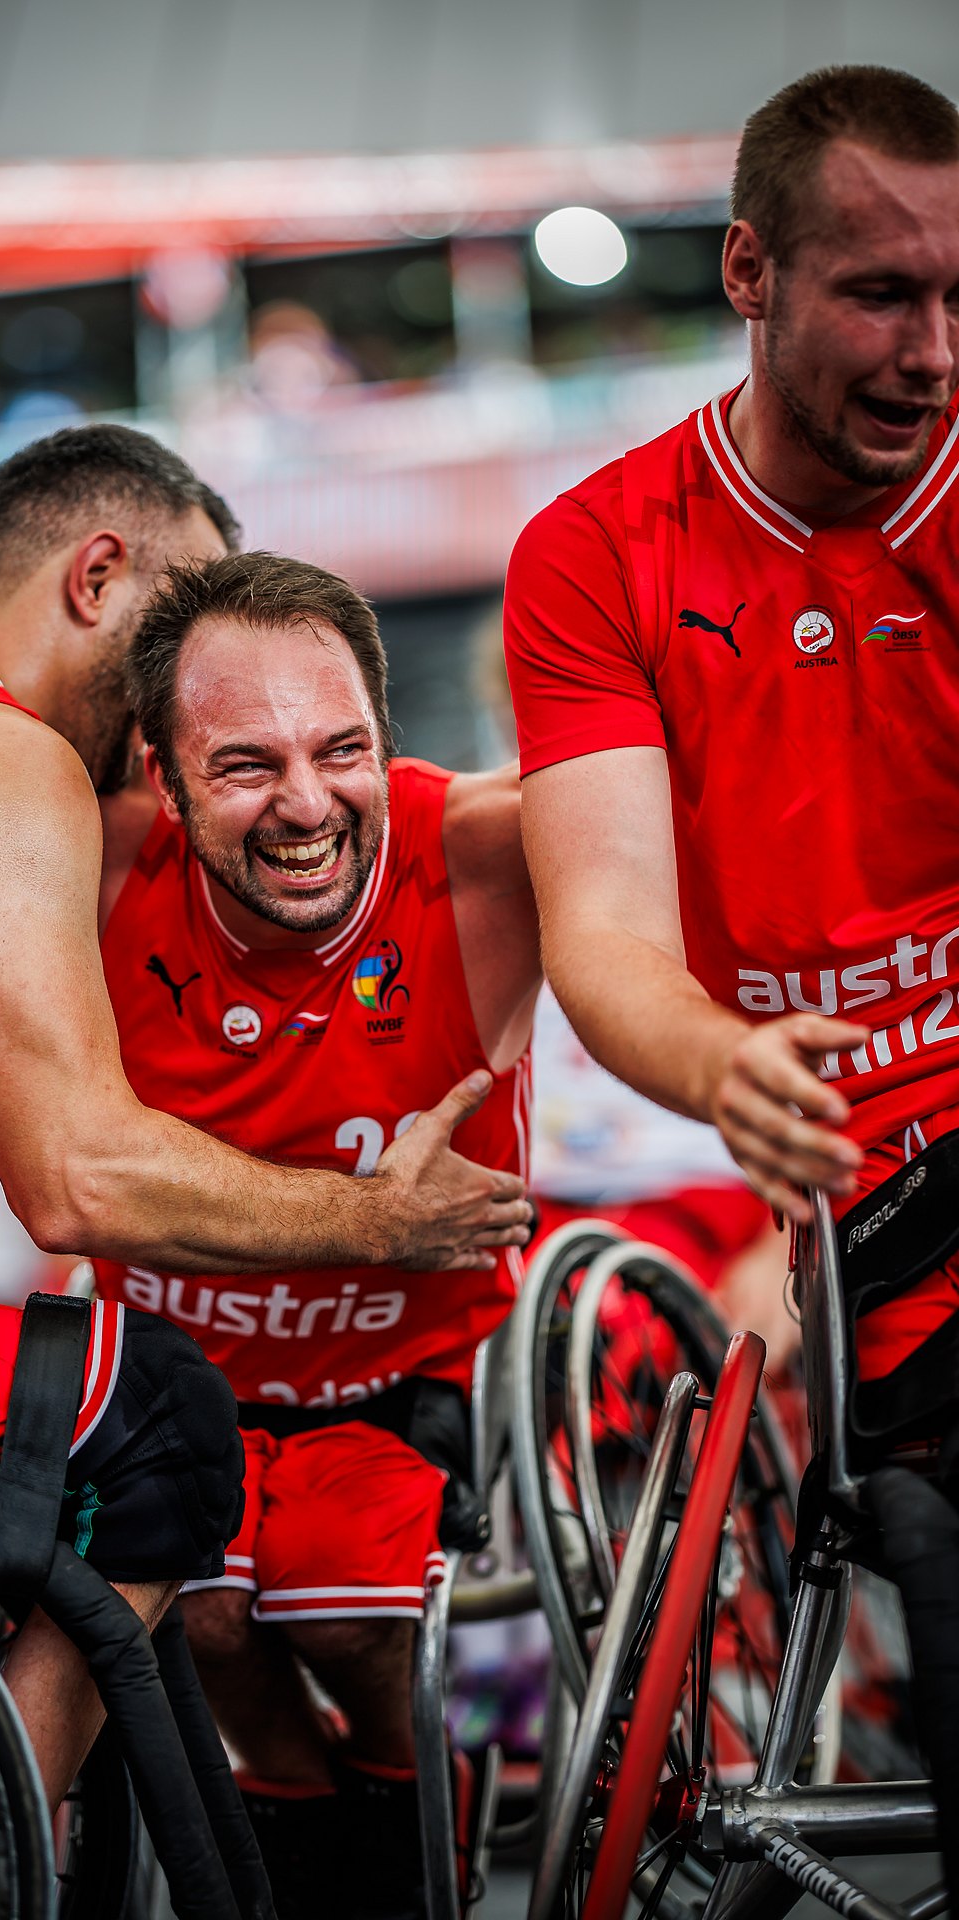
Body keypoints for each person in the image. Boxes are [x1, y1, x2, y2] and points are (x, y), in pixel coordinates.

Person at [0, 425, 530, 1916]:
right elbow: (72, 1180)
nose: (188, 681)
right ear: (101, 577)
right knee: (154, 1421)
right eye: (185, 616)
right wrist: (376, 1215)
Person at [504, 58, 959, 1894]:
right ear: (750, 272)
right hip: (877, 1226)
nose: (933, 353)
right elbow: (606, 940)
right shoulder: (599, 559)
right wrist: (727, 1065)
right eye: (881, 293)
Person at [79, 548, 539, 1918]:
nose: (306, 803)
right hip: (181, 1379)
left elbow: (699, 777)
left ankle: (415, 1844)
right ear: (160, 775)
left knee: (340, 1613)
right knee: (208, 1617)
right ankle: (329, 1864)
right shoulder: (87, 866)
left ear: (385, 740)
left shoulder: (480, 850)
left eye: (341, 750)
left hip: (411, 1377)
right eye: (245, 764)